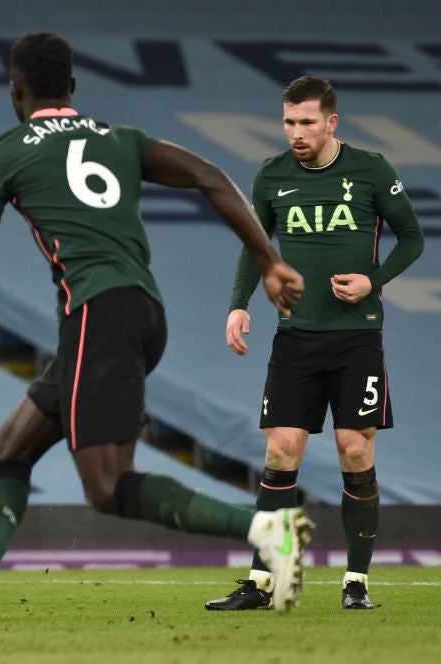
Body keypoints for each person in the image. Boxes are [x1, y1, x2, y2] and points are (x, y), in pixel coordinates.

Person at [0, 31, 314, 645]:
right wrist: (269, 260)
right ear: (74, 88)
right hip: (136, 311)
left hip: (97, 313)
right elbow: (209, 175)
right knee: (10, 449)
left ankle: (267, 529)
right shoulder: (120, 140)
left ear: (16, 89)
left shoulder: (7, 151)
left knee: (108, 487)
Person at [204, 76, 424, 613]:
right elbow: (255, 245)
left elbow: (412, 237)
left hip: (356, 340)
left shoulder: (371, 169)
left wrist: (373, 279)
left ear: (332, 122)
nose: (296, 133)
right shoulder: (273, 176)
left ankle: (356, 580)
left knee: (355, 452)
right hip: (295, 339)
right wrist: (238, 303)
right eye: (288, 122)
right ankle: (262, 581)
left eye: (306, 122)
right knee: (280, 452)